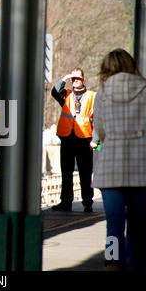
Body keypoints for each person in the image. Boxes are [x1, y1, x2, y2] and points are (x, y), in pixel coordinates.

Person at [93, 48, 146, 271]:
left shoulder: (102, 93)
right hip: (142, 169)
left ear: (107, 68)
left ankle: (113, 263)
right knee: (138, 225)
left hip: (110, 170)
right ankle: (137, 266)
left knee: (114, 223)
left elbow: (100, 131)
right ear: (131, 64)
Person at [51, 68, 98, 212]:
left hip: (84, 139)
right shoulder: (66, 95)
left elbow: (98, 119)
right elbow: (54, 91)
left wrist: (95, 140)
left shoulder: (92, 96)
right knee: (66, 172)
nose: (75, 80)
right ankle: (65, 202)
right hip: (67, 138)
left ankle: (87, 202)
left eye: (78, 77)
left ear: (84, 79)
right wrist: (65, 77)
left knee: (85, 172)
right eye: (73, 78)